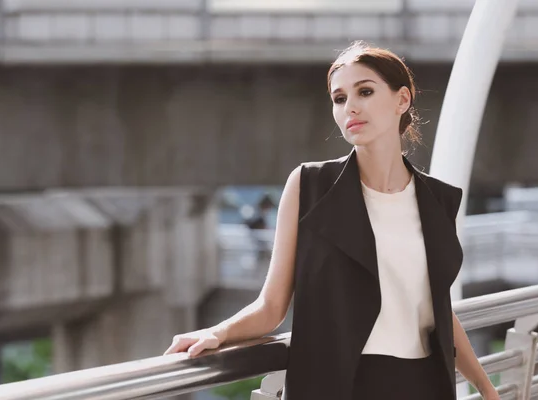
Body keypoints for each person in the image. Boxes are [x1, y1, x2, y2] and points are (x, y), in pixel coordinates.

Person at [164, 41, 500, 400]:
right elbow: (272, 306)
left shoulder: (438, 199)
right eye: (339, 99)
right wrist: (219, 333)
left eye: (365, 91)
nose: (350, 107)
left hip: (420, 386)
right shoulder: (309, 186)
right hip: (336, 386)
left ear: (402, 100)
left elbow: (437, 311)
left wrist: (487, 389)